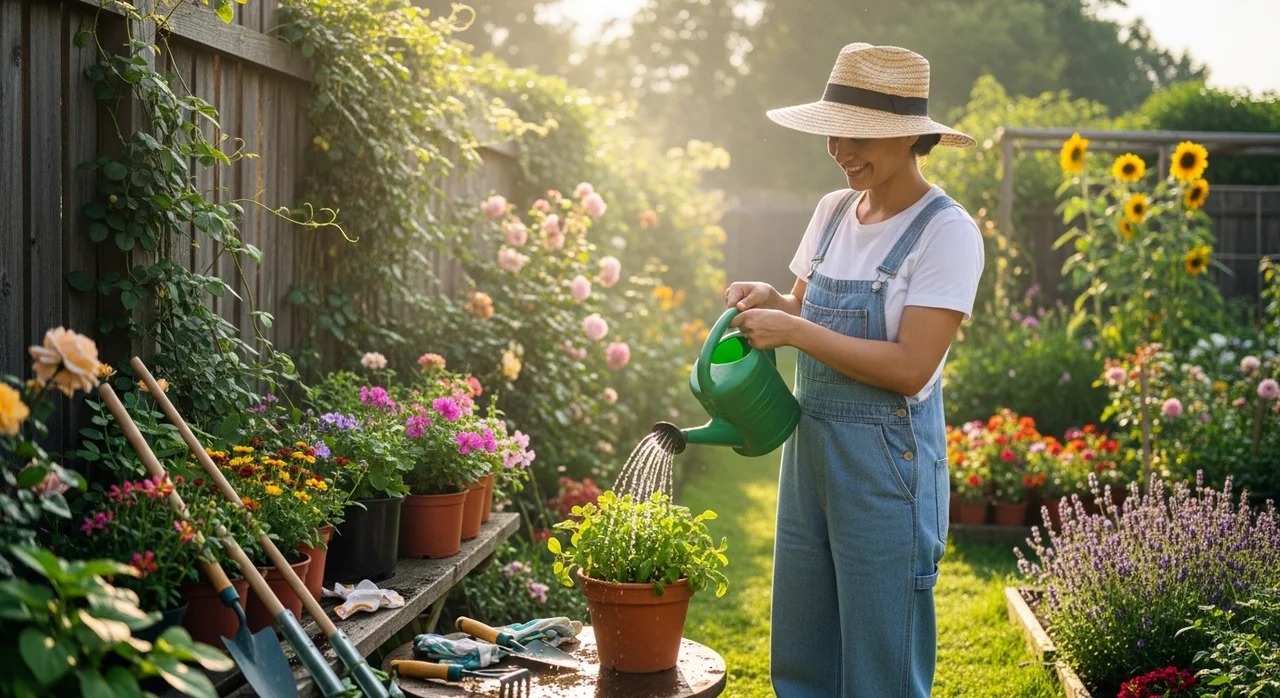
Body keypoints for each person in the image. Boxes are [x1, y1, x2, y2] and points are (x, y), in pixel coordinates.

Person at [724, 43, 984, 697]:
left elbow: (910, 367)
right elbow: (802, 309)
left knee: (879, 664)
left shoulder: (946, 232)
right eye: (832, 133)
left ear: (909, 137)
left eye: (858, 135)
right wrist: (771, 303)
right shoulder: (833, 212)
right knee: (804, 653)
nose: (840, 149)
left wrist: (795, 329)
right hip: (810, 451)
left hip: (885, 467)